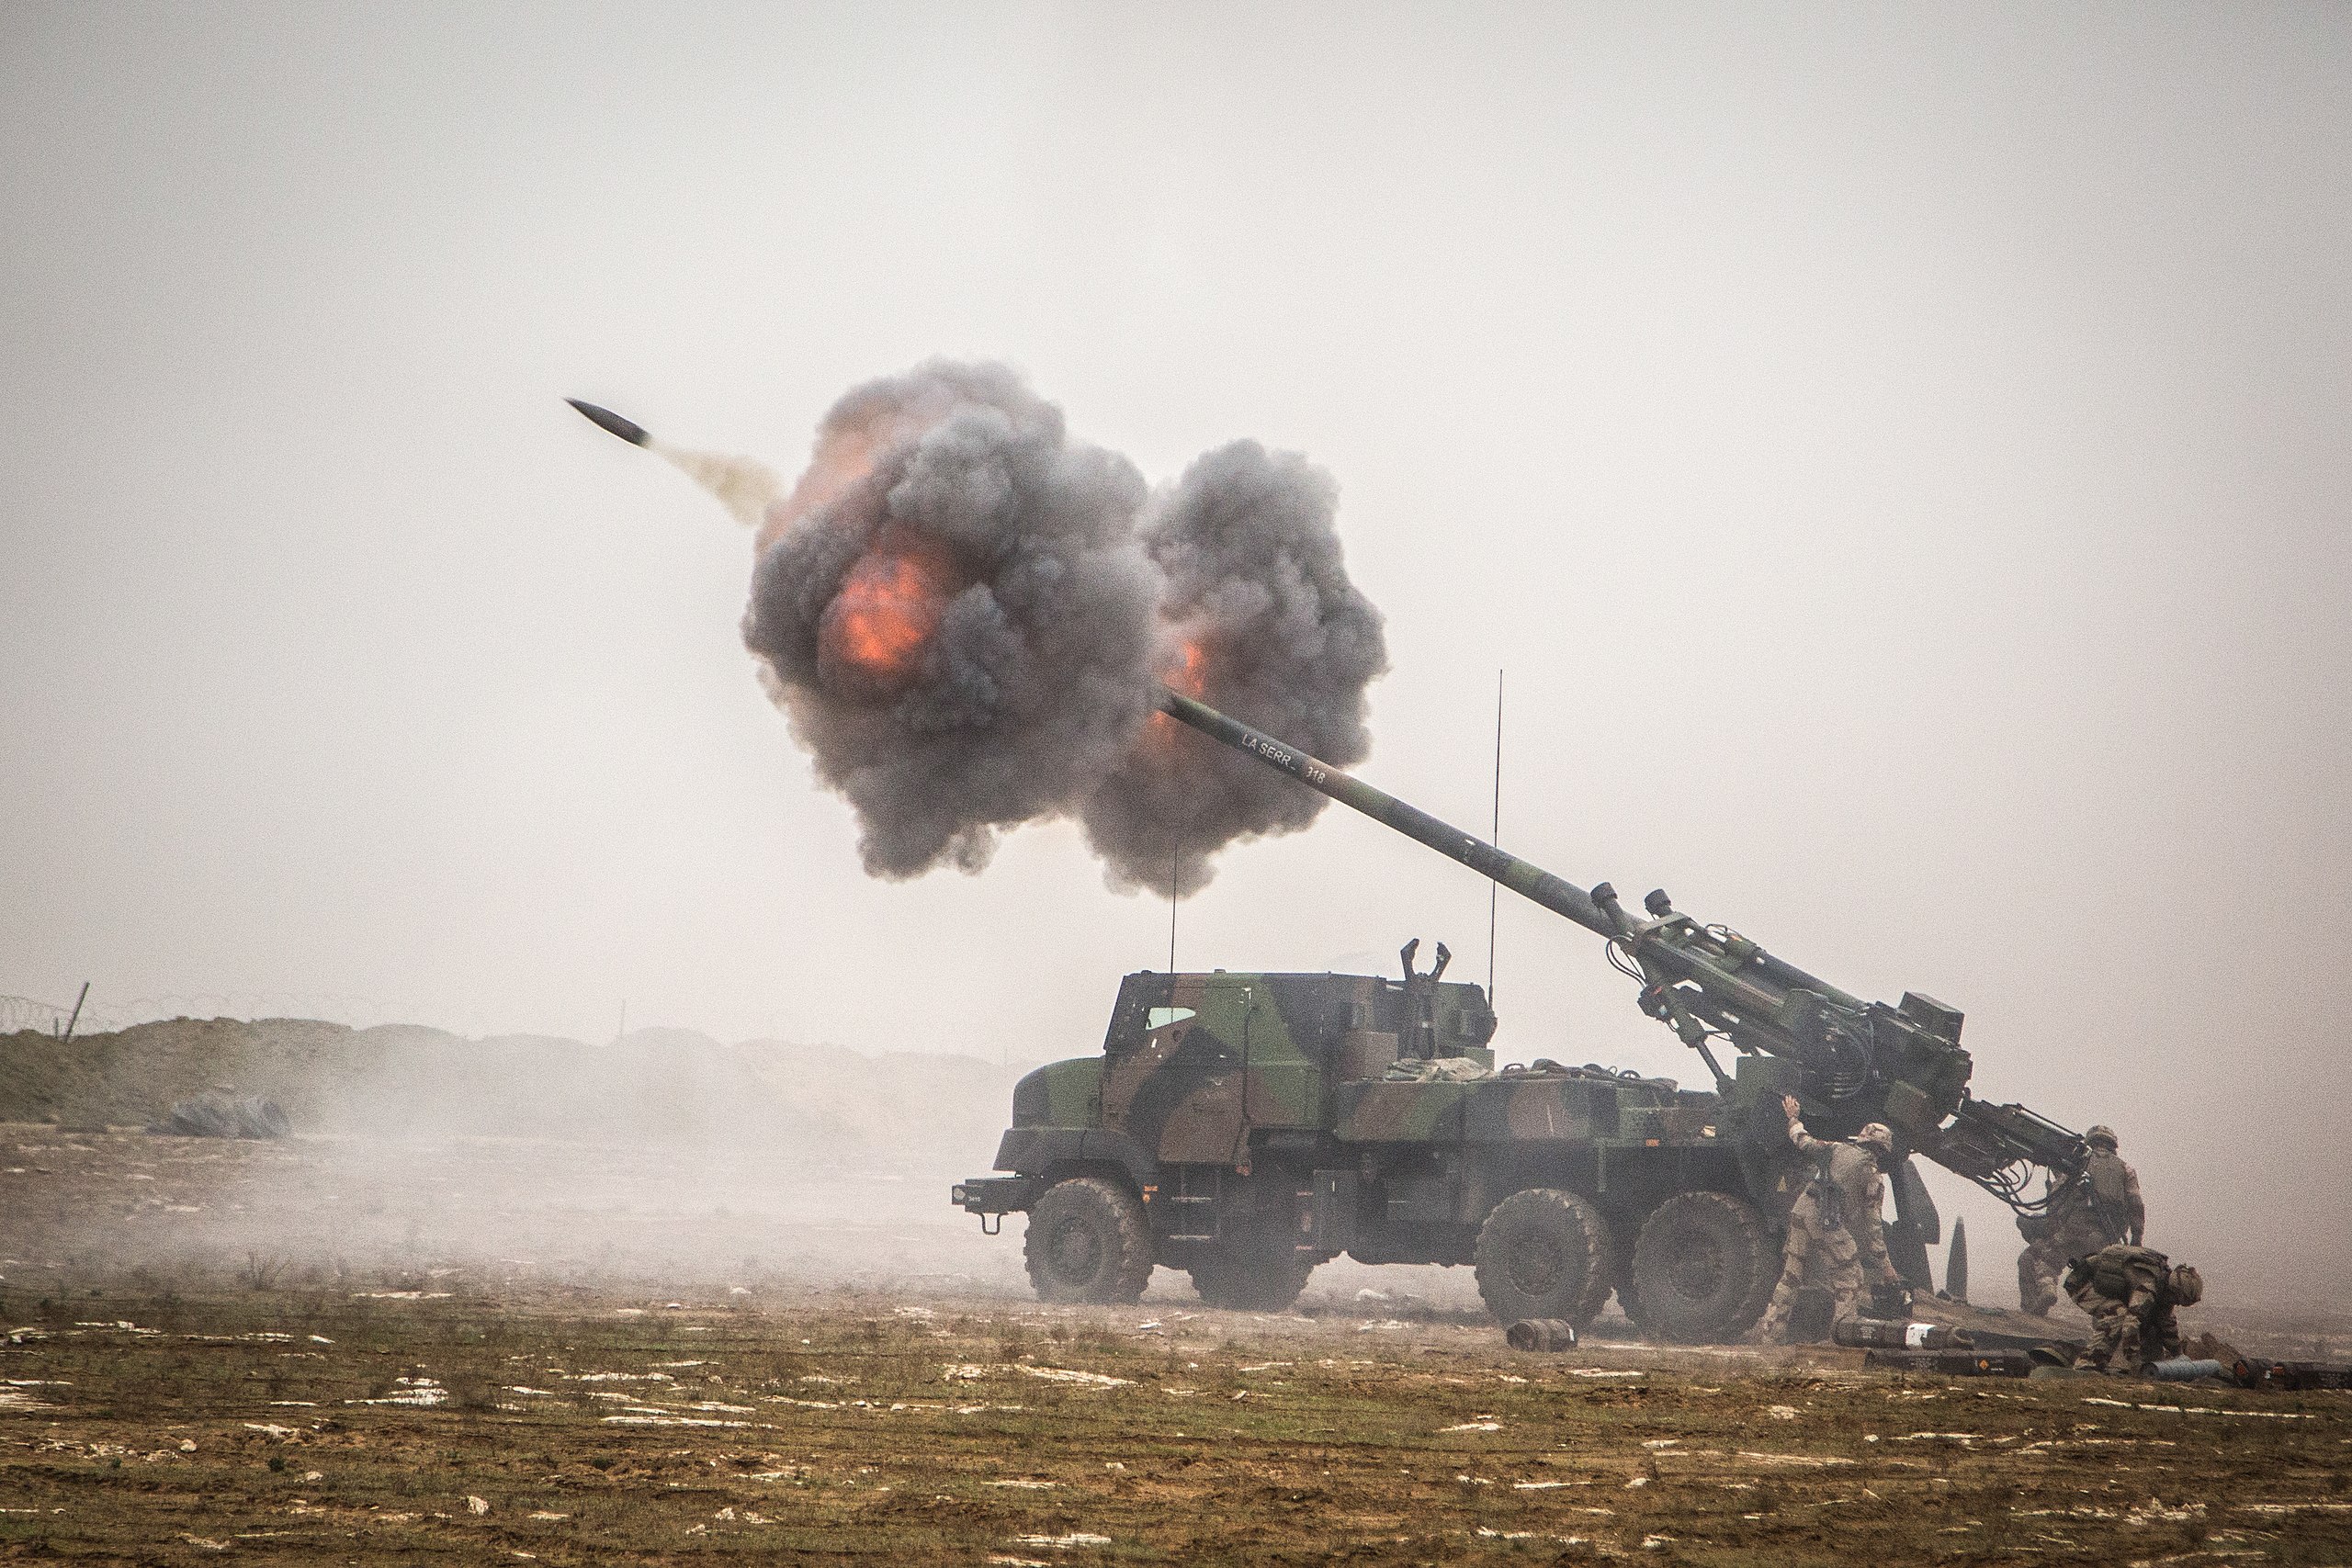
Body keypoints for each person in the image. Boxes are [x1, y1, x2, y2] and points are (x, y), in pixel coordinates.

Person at [1748, 1093, 1906, 1343]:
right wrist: (1886, 1267)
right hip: (1827, 1221)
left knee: (1791, 1276)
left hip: (1801, 1212)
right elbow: (1873, 1227)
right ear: (1882, 1150)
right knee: (1851, 1278)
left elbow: (1802, 1140)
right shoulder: (1872, 1176)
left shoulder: (1835, 1149)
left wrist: (1793, 1118)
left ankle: (1769, 1331)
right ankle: (1840, 1337)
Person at [2016, 1124, 2145, 1315]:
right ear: (2112, 1145)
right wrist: (2136, 1240)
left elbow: (2056, 1198)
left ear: (2090, 1142)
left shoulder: (2078, 1163)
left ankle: (2046, 1290)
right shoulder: (2125, 1170)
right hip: (2105, 1241)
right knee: (2105, 1286)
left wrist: (2052, 1227)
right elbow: (2136, 1206)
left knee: (2040, 1259)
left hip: (2072, 1231)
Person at [2064, 1241, 2201, 1372]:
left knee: (2151, 1322)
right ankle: (2088, 1365)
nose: (2176, 1303)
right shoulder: (2148, 1287)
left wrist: (2178, 1354)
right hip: (2082, 1283)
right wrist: (2135, 1361)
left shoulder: (2163, 1286)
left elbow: (2165, 1322)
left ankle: (2152, 1365)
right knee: (2117, 1315)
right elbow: (2130, 1325)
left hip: (2105, 1289)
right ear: (2173, 1291)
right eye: (2177, 1299)